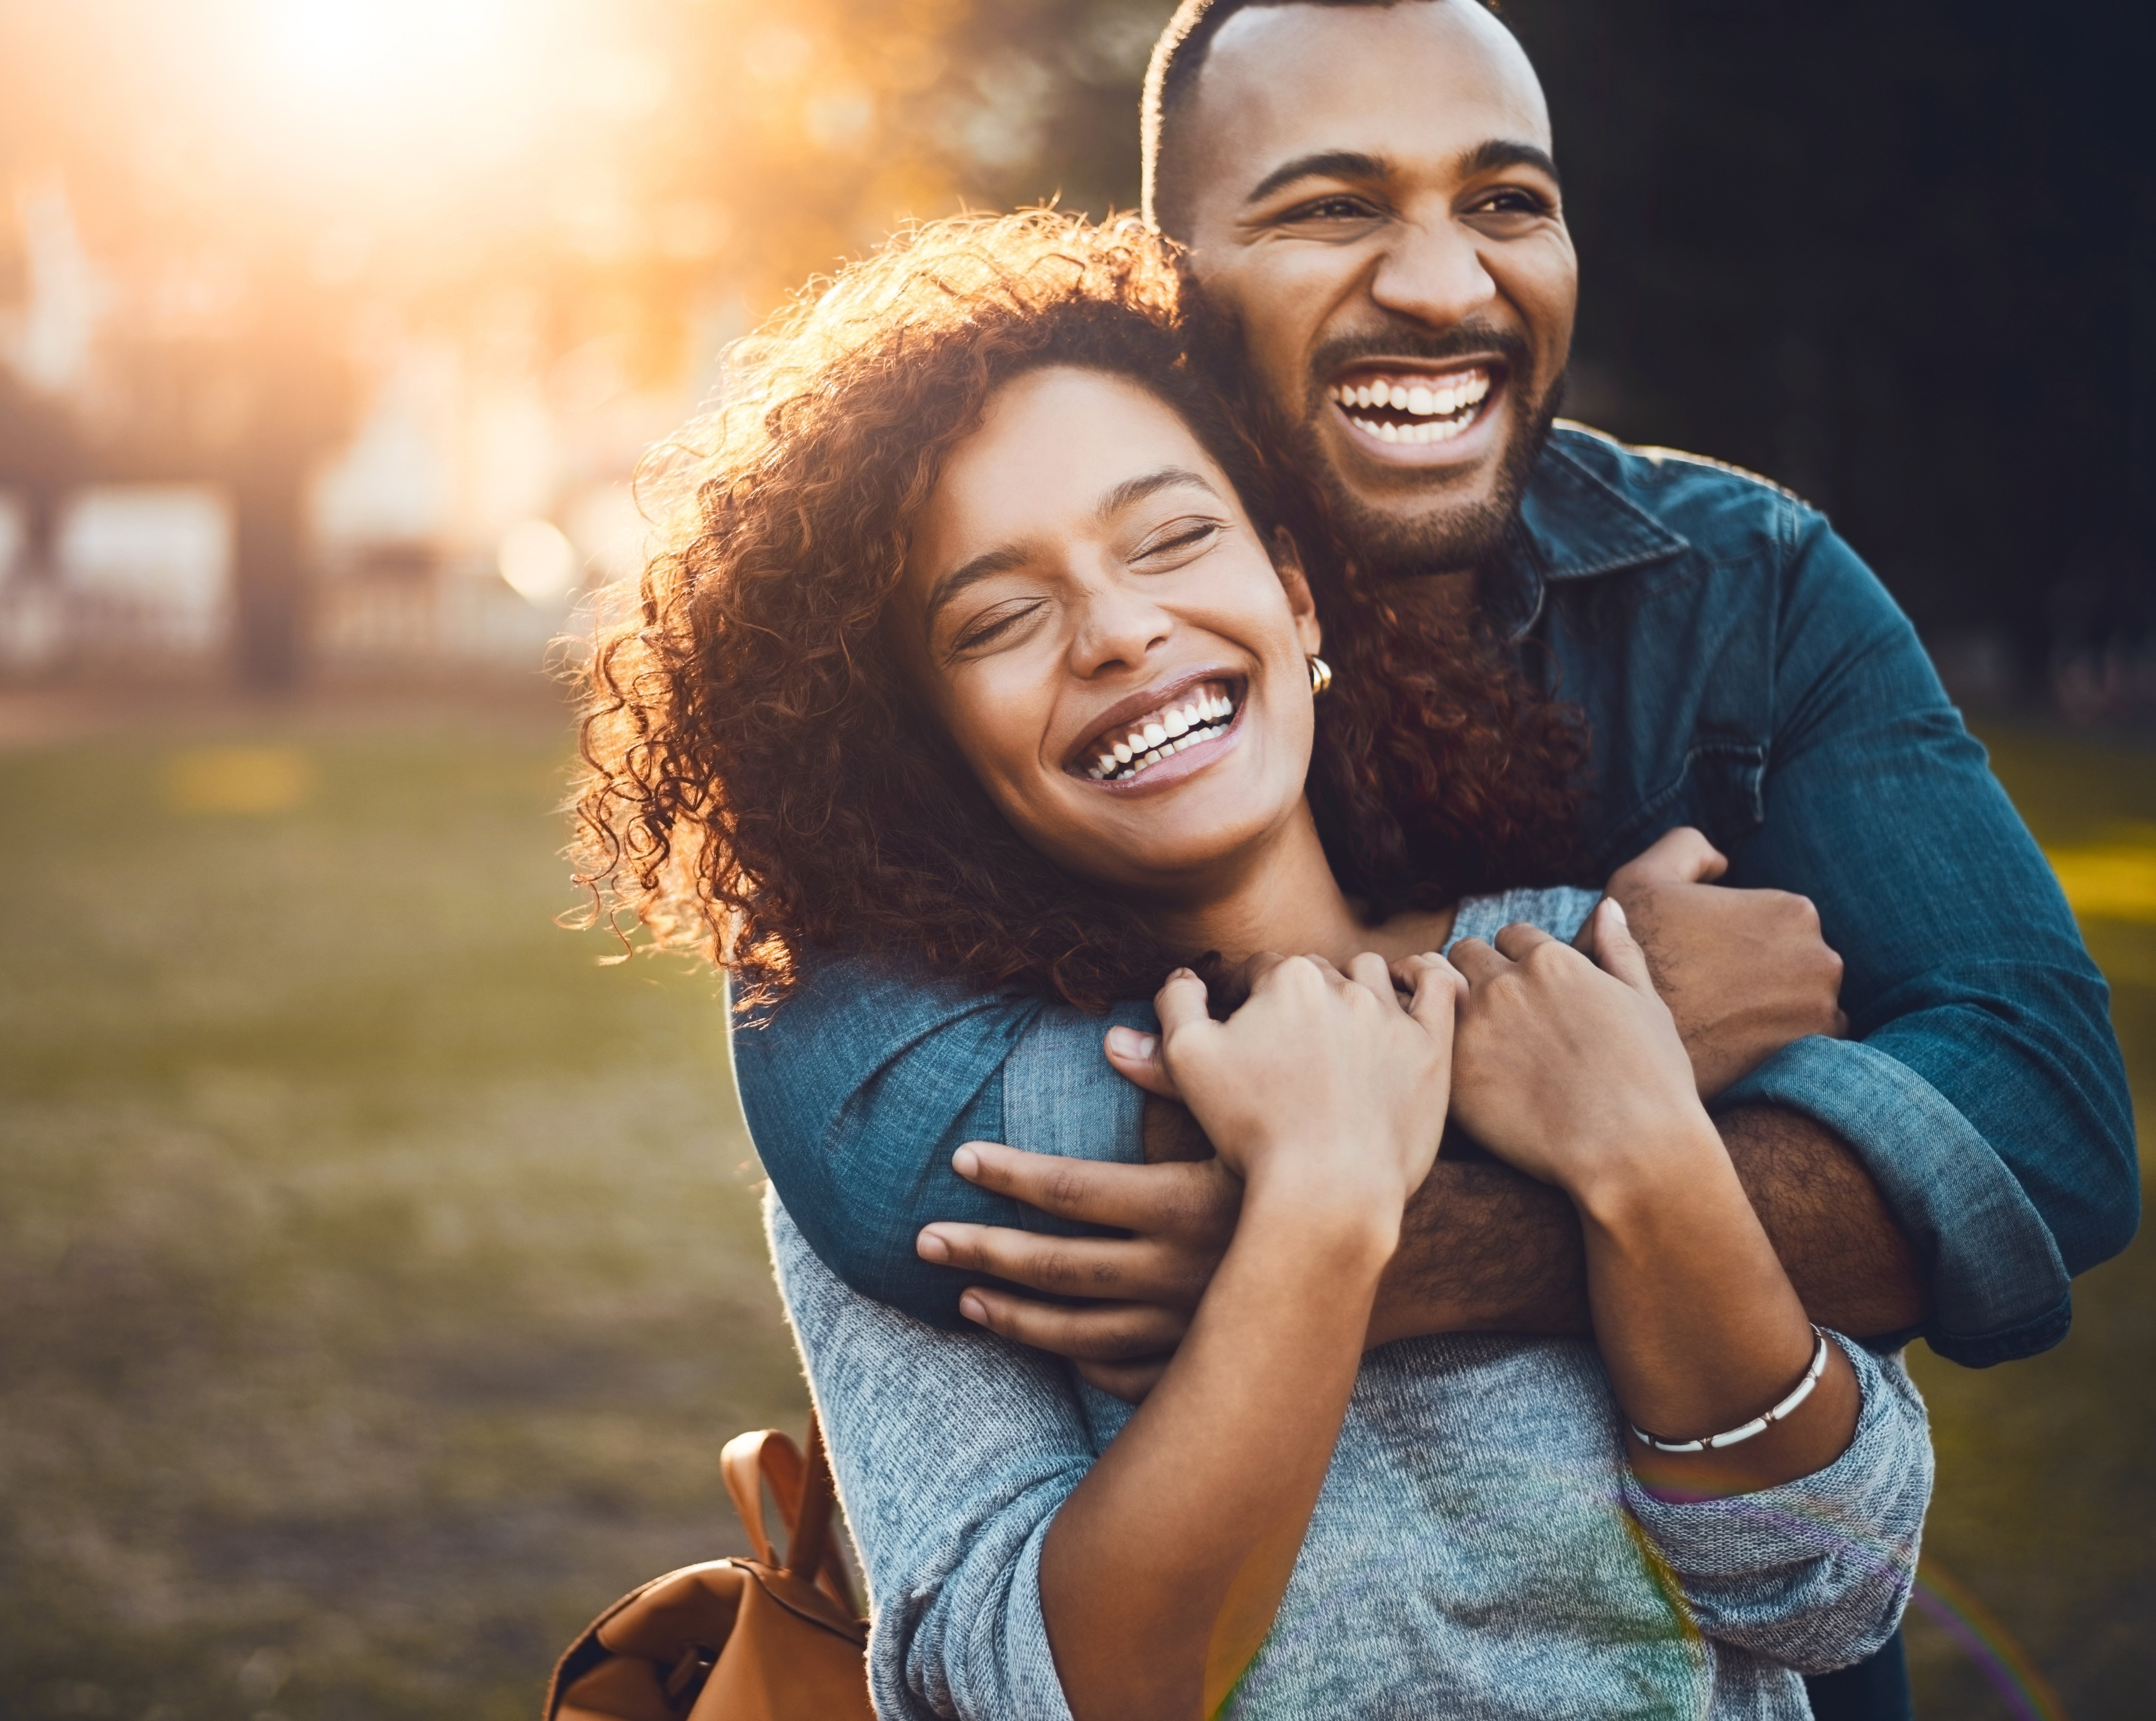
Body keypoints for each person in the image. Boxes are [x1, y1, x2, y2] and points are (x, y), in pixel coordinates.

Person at [710, 4, 2138, 1714]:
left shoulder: (1713, 662)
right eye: (1330, 206)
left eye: (1507, 200)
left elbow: (2032, 1148)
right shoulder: (1617, 986)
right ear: (1174, 279)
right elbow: (903, 1193)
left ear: (1285, 595)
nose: (1448, 289)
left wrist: (1526, 1187)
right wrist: (1370, 1161)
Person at [571, 211, 1930, 1719]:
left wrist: (1643, 1152)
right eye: (1001, 617)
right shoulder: (953, 1165)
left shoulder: (1587, 965)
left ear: (1293, 593)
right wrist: (1320, 1208)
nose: (1119, 629)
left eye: (1171, 538)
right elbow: (1038, 1692)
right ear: (923, 749)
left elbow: (1831, 1587)